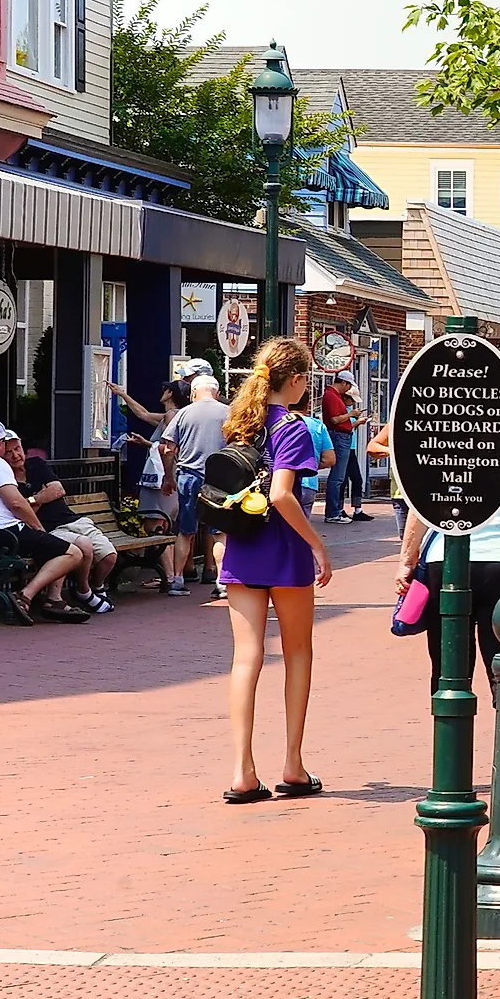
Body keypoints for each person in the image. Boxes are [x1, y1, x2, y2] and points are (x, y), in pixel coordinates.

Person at [215, 338, 334, 804]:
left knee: (246, 658)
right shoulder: (293, 428)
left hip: (242, 545)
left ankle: (243, 771)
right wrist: (318, 543)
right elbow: (283, 494)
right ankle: (292, 763)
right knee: (298, 653)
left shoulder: (242, 421)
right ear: (299, 380)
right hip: (283, 548)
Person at [394, 383, 500, 686]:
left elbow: (421, 508)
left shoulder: (444, 443)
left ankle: (449, 728)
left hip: (448, 559)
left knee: (448, 669)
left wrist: (406, 561)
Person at [0, 420, 89, 623]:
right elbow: (17, 503)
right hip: (4, 534)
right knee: (73, 553)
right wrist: (39, 530)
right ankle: (24, 596)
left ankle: (53, 601)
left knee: (56, 547)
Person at [18, 436, 118, 613]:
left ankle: (98, 587)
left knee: (109, 556)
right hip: (50, 529)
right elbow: (23, 511)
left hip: (74, 520)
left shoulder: (35, 464)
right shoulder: (6, 480)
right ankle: (83, 591)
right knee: (82, 547)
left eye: (17, 449)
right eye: (8, 452)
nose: (15, 455)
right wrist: (43, 495)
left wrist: (33, 499)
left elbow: (58, 489)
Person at [116, 379, 196, 593]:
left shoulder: (171, 416)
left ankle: (170, 576)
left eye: (165, 390)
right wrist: (123, 395)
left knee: (157, 525)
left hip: (161, 479)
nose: (162, 392)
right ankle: (172, 575)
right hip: (171, 477)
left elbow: (171, 448)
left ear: (170, 393)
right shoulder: (176, 416)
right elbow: (142, 414)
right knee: (165, 526)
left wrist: (147, 444)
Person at [161, 373, 233, 602]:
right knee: (219, 531)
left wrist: (168, 477)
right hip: (220, 479)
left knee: (185, 530)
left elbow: (168, 449)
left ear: (193, 393)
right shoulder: (228, 413)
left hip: (188, 476)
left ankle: (177, 579)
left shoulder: (183, 414)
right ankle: (221, 582)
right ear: (217, 392)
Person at [318, 373, 368, 522]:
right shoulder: (331, 395)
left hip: (342, 436)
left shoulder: (334, 395)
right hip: (339, 436)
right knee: (338, 477)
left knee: (340, 477)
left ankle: (335, 510)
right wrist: (351, 414)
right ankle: (333, 512)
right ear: (344, 383)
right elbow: (334, 419)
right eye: (348, 385)